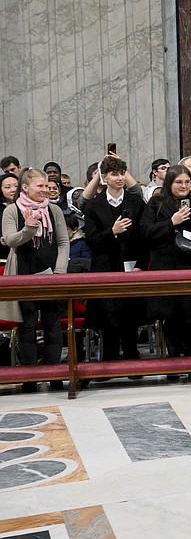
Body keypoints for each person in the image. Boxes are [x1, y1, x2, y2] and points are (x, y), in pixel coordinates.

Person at [2, 168, 70, 392]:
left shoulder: (55, 210)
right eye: (40, 186)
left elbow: (63, 242)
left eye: (47, 186)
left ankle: (55, 373)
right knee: (28, 326)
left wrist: (59, 272)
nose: (46, 190)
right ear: (25, 188)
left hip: (51, 275)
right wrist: (30, 227)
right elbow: (11, 240)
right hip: (23, 274)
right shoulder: (12, 211)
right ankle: (29, 374)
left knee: (53, 324)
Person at [141, 165, 191, 357]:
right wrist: (171, 223)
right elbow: (145, 233)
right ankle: (174, 360)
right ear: (169, 182)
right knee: (171, 316)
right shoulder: (156, 202)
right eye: (179, 182)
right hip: (167, 265)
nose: (184, 186)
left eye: (187, 182)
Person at [81, 156, 148, 362]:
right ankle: (109, 358)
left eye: (121, 174)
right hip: (105, 265)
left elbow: (143, 237)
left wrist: (140, 265)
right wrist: (112, 231)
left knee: (130, 313)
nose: (119, 178)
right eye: (113, 174)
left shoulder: (136, 202)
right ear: (104, 178)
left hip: (130, 262)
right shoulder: (94, 205)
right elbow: (91, 240)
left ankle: (131, 354)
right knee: (108, 314)